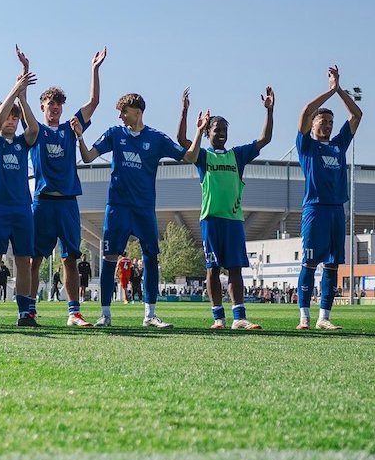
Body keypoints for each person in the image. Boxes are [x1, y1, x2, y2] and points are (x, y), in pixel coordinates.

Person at [80, 87, 196, 329]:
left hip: (144, 208)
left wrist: (197, 128)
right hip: (117, 207)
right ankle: (105, 314)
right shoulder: (114, 134)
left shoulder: (156, 138)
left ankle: (150, 315)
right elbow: (89, 157)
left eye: (124, 111)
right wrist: (80, 137)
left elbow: (189, 157)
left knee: (151, 257)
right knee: (109, 257)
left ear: (138, 112)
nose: (120, 116)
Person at [24, 47, 107, 326]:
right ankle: (30, 310)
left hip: (68, 202)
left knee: (70, 258)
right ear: (42, 107)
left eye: (59, 103)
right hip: (43, 202)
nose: (55, 107)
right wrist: (24, 73)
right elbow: (22, 102)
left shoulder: (72, 127)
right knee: (35, 259)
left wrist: (95, 69)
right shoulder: (35, 130)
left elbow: (94, 101)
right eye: (50, 103)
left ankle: (74, 312)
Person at [188, 86, 274, 330]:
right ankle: (218, 317)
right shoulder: (204, 157)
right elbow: (183, 142)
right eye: (217, 130)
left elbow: (264, 139)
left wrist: (270, 111)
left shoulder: (237, 156)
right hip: (211, 220)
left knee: (236, 269)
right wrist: (188, 118)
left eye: (225, 130)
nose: (222, 134)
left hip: (234, 220)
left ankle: (239, 317)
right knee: (213, 269)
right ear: (208, 133)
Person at [292, 66, 363, 330]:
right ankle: (304, 317)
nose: (329, 125)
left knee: (332, 265)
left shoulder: (339, 144)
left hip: (336, 211)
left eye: (331, 122)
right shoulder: (306, 145)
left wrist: (339, 91)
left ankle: (324, 317)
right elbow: (304, 112)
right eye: (324, 121)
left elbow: (357, 115)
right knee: (310, 262)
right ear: (313, 124)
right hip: (315, 210)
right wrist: (329, 91)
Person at [0, 71, 40, 326]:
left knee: (24, 261)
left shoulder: (22, 143)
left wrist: (23, 99)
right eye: (7, 117)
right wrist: (13, 90)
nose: (10, 122)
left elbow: (33, 129)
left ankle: (24, 313)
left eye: (15, 118)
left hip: (22, 209)